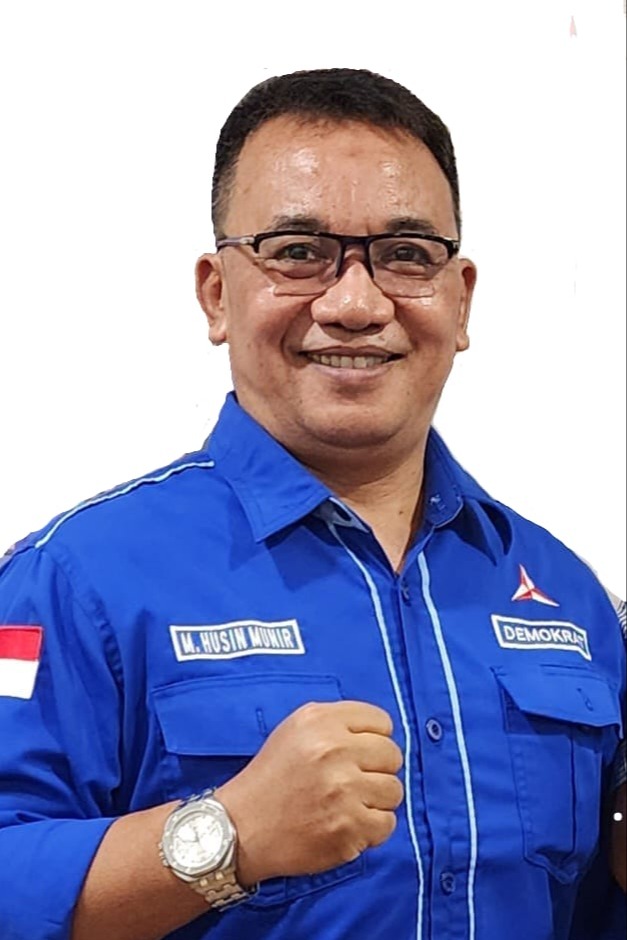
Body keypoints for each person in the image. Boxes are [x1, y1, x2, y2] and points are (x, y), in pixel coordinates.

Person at [0, 68, 624, 940]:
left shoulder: (570, 600)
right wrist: (227, 837)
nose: (356, 303)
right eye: (297, 251)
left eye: (406, 255)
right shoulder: (71, 582)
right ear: (217, 293)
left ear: (460, 299)